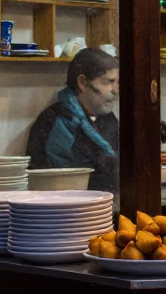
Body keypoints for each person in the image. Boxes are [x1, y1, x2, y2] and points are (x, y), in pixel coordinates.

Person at [26, 47, 121, 196]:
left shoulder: (107, 118)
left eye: (116, 83)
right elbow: (62, 182)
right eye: (108, 82)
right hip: (66, 210)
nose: (116, 90)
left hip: (106, 205)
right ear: (82, 82)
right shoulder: (55, 121)